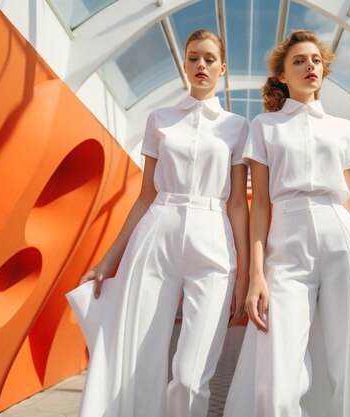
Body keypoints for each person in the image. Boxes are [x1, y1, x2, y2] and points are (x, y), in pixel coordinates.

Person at [223, 30, 350, 417]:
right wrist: (256, 275)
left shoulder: (343, 128)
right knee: (279, 368)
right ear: (281, 76)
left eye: (315, 60)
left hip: (342, 236)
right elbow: (259, 205)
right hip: (287, 242)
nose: (310, 66)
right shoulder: (263, 126)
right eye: (298, 61)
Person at [72, 29, 250, 417]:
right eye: (192, 58)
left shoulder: (237, 126)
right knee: (139, 360)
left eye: (208, 58)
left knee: (190, 377)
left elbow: (238, 203)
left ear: (222, 67)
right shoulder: (160, 119)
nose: (200, 65)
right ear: (184, 64)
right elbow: (144, 197)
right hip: (157, 234)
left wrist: (246, 274)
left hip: (214, 239)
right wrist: (107, 261)